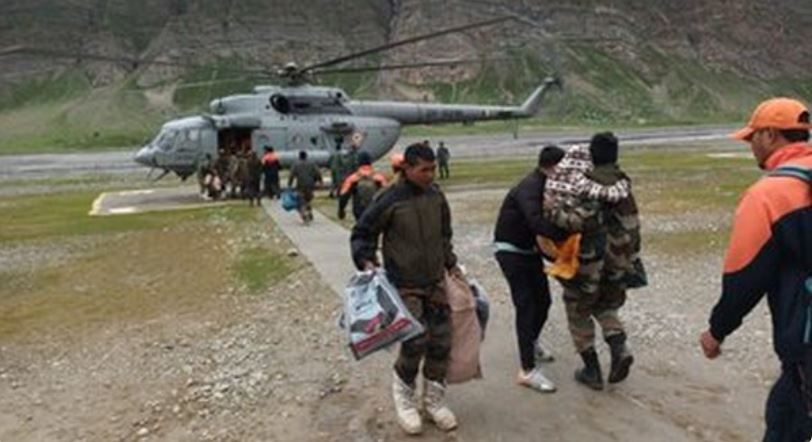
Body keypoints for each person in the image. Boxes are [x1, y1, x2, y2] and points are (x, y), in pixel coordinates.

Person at [699, 98, 812, 441]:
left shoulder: (769, 194)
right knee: (783, 407)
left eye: (752, 139)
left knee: (786, 423)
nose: (751, 148)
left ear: (770, 135)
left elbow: (743, 279)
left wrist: (716, 331)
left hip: (806, 345)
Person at [351, 143, 461, 435]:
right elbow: (363, 232)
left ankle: (434, 401)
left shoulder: (437, 196)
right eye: (424, 170)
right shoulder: (389, 198)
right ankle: (405, 399)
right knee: (415, 342)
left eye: (433, 169)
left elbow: (445, 235)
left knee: (441, 341)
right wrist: (365, 259)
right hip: (404, 285)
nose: (430, 175)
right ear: (408, 169)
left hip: (435, 282)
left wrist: (451, 263)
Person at [545, 133, 642, 391]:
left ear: (592, 155)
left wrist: (554, 212)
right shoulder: (623, 185)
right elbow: (634, 225)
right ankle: (619, 347)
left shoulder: (589, 186)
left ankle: (592, 370)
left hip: (589, 263)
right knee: (606, 306)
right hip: (619, 260)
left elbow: (578, 221)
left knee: (578, 310)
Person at [493, 145, 570, 393]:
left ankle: (531, 341)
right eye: (564, 168)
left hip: (529, 251)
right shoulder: (530, 186)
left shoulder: (546, 185)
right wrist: (568, 233)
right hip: (510, 251)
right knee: (526, 304)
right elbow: (535, 221)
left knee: (544, 301)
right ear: (553, 167)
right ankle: (527, 370)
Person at [338, 151, 388, 221]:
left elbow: (343, 195)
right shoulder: (379, 178)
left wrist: (341, 211)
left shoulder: (353, 179)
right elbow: (387, 194)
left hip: (359, 213)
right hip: (375, 212)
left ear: (358, 163)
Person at [288, 150, 322, 224]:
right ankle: (309, 211)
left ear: (299, 156)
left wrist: (289, 184)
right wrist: (320, 181)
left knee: (301, 201)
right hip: (310, 184)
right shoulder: (312, 164)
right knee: (308, 199)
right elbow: (318, 173)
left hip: (300, 185)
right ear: (306, 156)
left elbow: (291, 175)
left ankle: (305, 216)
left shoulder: (296, 164)